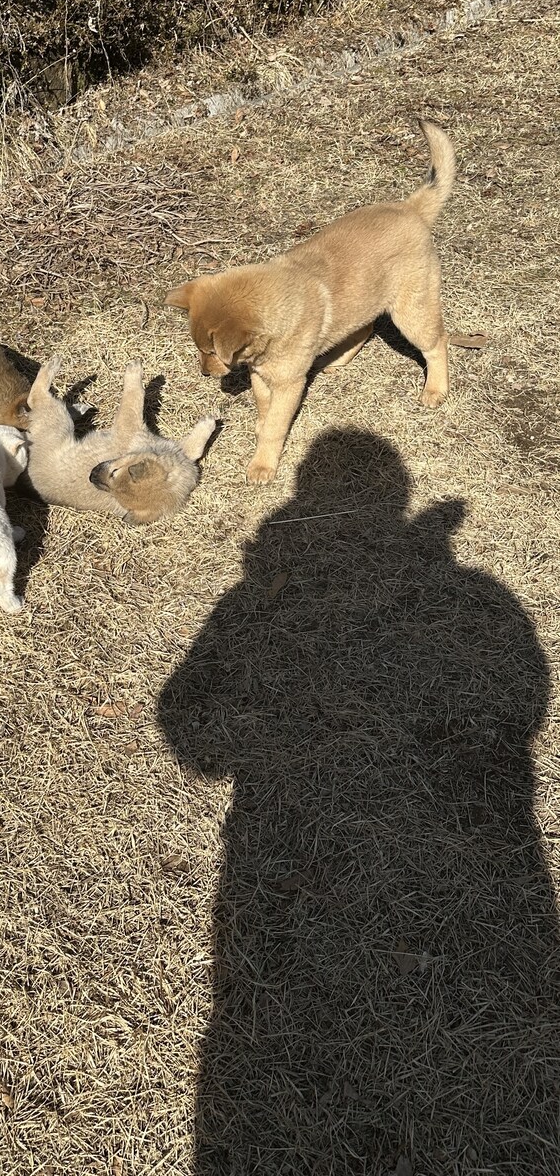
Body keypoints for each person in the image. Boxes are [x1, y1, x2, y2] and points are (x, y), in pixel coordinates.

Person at [158, 429, 559, 1175]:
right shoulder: (482, 603)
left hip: (279, 879)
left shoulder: (255, 597)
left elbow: (194, 738)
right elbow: (525, 709)